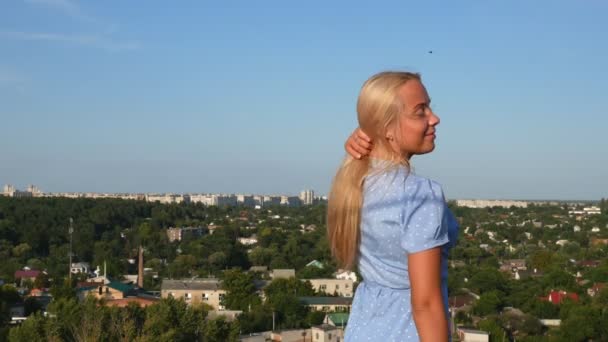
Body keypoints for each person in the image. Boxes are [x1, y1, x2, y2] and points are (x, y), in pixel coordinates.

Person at [327, 71, 459, 341]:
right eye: (420, 111)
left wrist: (370, 132)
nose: (435, 118)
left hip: (363, 329)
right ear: (386, 128)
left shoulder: (355, 182)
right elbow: (426, 304)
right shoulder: (419, 194)